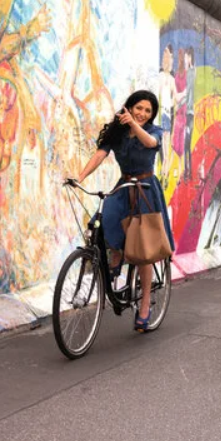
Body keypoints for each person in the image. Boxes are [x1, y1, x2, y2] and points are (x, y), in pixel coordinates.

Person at [72, 90, 175, 332]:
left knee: (143, 250)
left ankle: (146, 304)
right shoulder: (117, 131)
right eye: (138, 108)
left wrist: (135, 125)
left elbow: (150, 144)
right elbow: (100, 154)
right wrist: (80, 177)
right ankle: (115, 261)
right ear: (129, 107)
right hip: (124, 185)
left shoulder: (153, 131)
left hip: (145, 189)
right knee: (104, 221)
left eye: (147, 111)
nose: (142, 113)